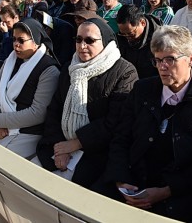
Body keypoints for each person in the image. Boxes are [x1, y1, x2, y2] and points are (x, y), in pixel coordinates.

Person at [99, 26, 192, 221]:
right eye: (158, 60)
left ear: (191, 59)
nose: (162, 67)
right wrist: (121, 179)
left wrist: (167, 190)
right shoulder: (142, 89)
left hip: (181, 195)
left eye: (170, 59)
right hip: (133, 182)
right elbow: (121, 137)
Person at [37, 18, 138, 187]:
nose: (82, 46)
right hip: (61, 144)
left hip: (97, 152)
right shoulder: (71, 67)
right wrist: (59, 147)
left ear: (105, 42)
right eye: (78, 40)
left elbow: (116, 122)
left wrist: (77, 143)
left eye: (89, 40)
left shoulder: (124, 72)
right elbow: (55, 109)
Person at [0, 19, 60, 158]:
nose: (16, 45)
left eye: (21, 40)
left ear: (35, 42)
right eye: (14, 39)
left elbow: (38, 113)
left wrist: (0, 120)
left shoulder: (49, 70)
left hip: (27, 131)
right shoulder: (11, 60)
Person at [116, 5, 162, 79]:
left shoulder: (160, 40)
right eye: (123, 34)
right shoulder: (121, 38)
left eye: (131, 34)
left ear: (143, 23)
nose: (127, 37)